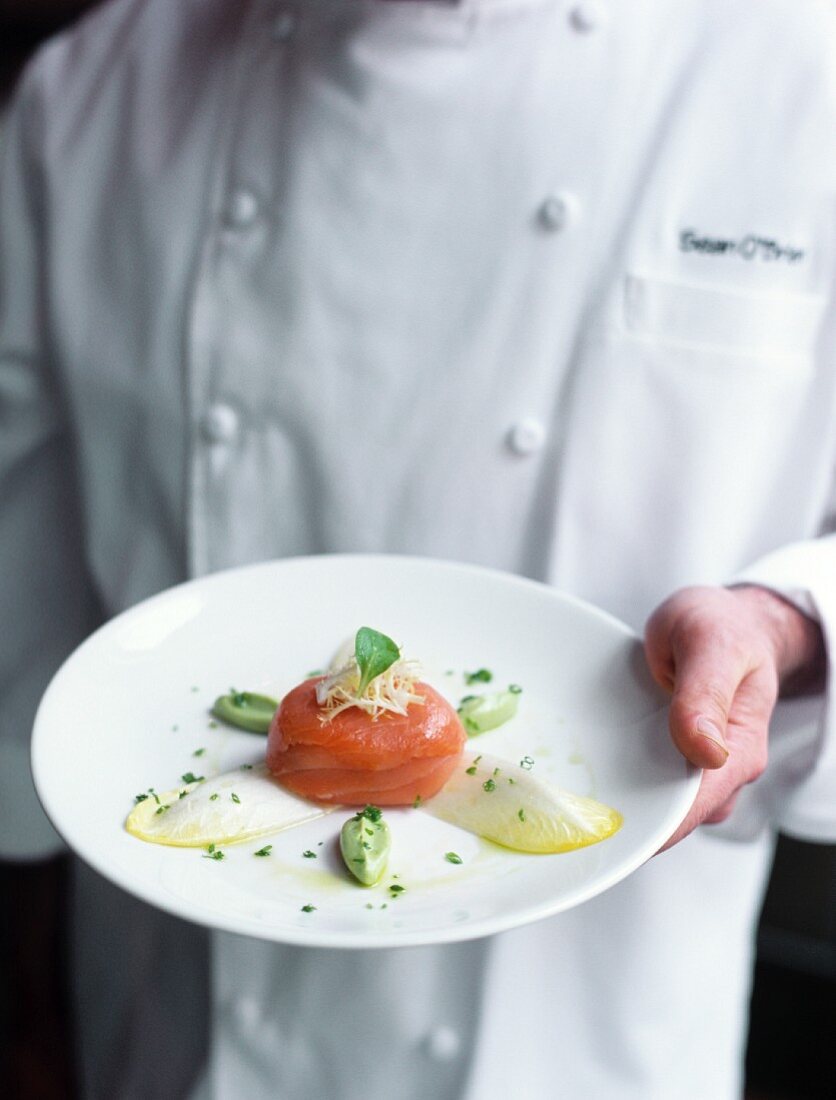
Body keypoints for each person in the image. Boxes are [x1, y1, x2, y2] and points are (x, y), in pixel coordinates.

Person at [1, 0, 834, 1096]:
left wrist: (783, 623)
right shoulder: (92, 92)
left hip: (577, 1046)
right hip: (174, 1035)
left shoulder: (796, 65)